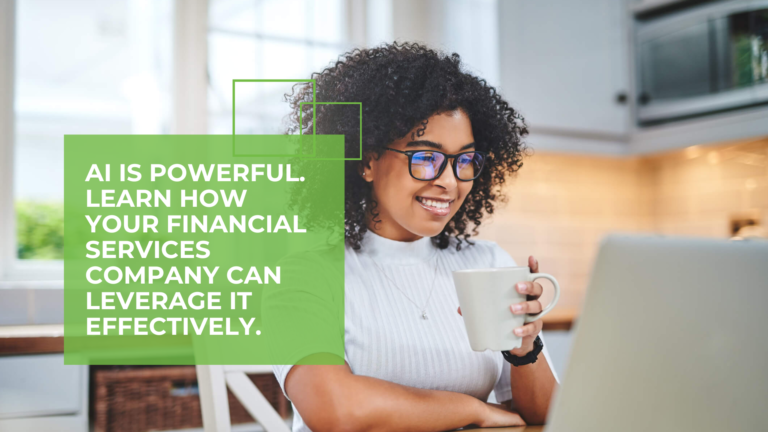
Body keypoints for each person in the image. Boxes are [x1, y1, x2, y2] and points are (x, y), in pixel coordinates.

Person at [272, 42, 559, 432]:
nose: (449, 181)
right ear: (368, 161)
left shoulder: (487, 264)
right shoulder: (306, 275)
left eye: (465, 161)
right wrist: (472, 410)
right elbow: (336, 411)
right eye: (426, 157)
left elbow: (546, 419)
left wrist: (525, 351)